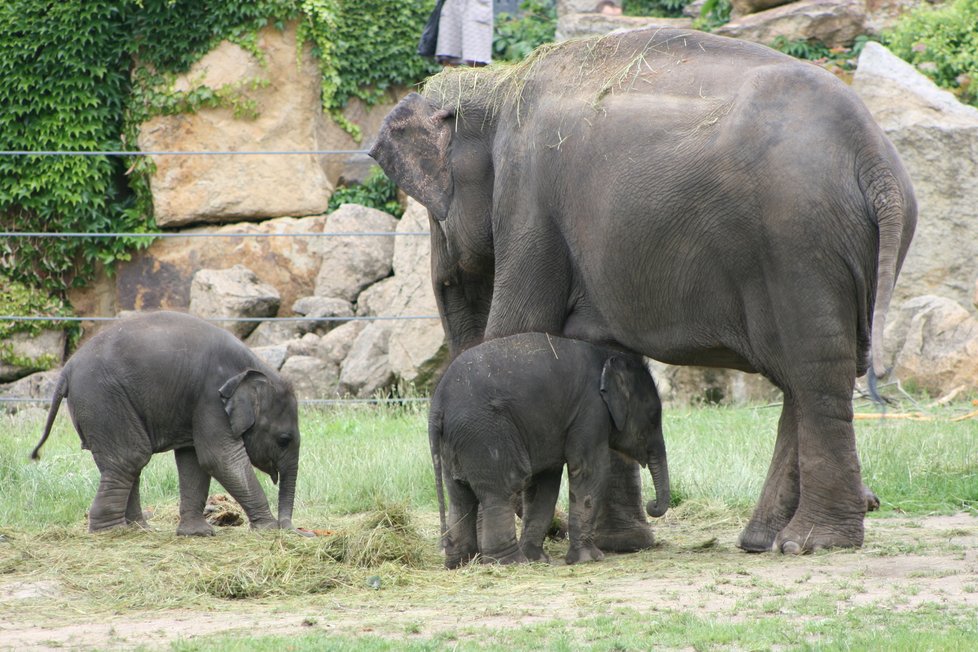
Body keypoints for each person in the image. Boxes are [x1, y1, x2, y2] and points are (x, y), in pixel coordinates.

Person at [434, 0, 494, 67]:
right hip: (451, 7)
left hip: (476, 7)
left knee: (477, 57)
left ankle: (476, 76)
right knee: (448, 55)